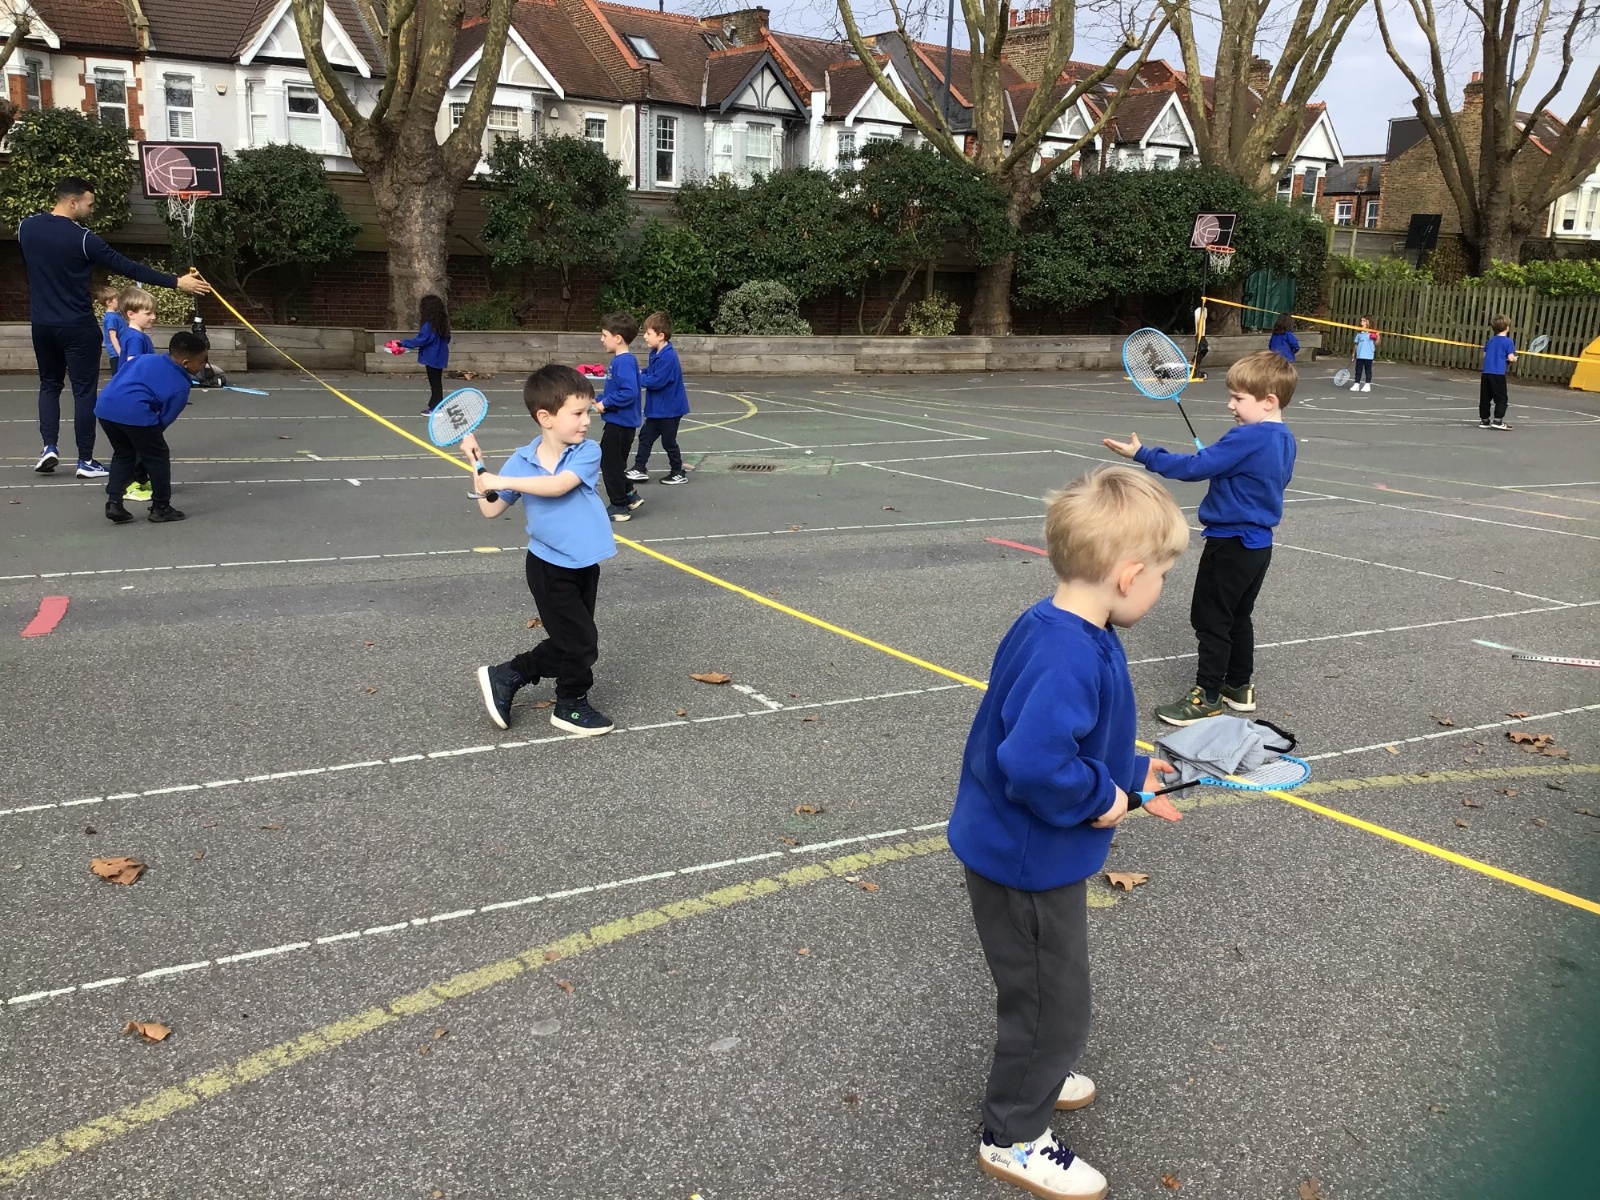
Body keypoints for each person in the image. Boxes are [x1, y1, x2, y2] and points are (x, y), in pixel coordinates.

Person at [949, 466, 1188, 1200]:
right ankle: (1013, 1136)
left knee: (1046, 989)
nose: (1161, 589)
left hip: (1023, 849)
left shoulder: (1059, 624)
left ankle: (1039, 1074)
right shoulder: (1070, 653)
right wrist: (1100, 797)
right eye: (1163, 576)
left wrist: (1133, 770)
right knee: (1053, 1003)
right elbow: (1033, 760)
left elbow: (1069, 732)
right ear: (1128, 575)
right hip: (1027, 859)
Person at [1104, 350, 1298, 726]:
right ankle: (1238, 686)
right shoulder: (1284, 438)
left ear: (1269, 401)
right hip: (1258, 545)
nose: (1231, 405)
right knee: (1238, 615)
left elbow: (1196, 468)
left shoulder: (1247, 437)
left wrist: (1144, 454)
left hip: (1230, 542)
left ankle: (1206, 695)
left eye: (1239, 398)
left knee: (1210, 618)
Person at [18, 176, 210, 478]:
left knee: (49, 385)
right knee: (84, 392)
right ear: (73, 202)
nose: (91, 209)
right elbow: (127, 267)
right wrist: (176, 281)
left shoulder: (26, 227)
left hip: (42, 323)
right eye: (89, 204)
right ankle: (85, 460)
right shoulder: (84, 239)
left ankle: (49, 447)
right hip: (77, 325)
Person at [464, 364, 617, 738]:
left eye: (588, 411)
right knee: (581, 642)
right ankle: (570, 704)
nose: (586, 420)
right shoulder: (520, 461)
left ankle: (508, 675)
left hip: (584, 564)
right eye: (577, 413)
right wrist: (477, 465)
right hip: (548, 568)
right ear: (545, 418)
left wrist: (500, 478)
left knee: (572, 639)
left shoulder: (586, 451)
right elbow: (491, 508)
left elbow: (558, 486)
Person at [94, 330, 209, 525]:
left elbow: (121, 376)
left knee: (123, 454)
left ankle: (114, 502)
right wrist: (146, 443)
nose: (204, 365)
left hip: (105, 407)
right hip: (136, 411)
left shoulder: (144, 359)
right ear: (186, 363)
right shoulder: (181, 385)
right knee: (158, 457)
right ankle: (161, 507)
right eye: (202, 361)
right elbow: (164, 420)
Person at [626, 312, 689, 486]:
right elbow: (651, 372)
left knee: (668, 441)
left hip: (670, 410)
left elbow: (657, 381)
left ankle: (678, 471)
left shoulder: (668, 357)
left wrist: (636, 378)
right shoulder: (655, 353)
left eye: (648, 333)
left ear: (660, 336)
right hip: (658, 409)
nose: (645, 336)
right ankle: (639, 468)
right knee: (645, 436)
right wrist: (640, 372)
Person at [593, 310, 645, 522]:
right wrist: (598, 399)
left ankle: (619, 506)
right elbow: (617, 389)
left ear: (618, 338)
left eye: (604, 335)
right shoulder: (623, 360)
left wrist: (606, 403)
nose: (601, 339)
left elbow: (629, 392)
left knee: (609, 464)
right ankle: (629, 494)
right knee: (616, 463)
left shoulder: (623, 362)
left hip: (619, 425)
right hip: (621, 423)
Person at [115, 288, 160, 504]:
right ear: (131, 314)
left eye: (154, 312)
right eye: (148, 313)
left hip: (136, 396)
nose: (153, 317)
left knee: (142, 442)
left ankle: (140, 478)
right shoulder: (134, 338)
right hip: (133, 398)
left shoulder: (138, 336)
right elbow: (134, 366)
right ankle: (129, 484)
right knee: (135, 444)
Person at [398, 294, 452, 414]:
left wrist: (402, 343)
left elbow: (421, 340)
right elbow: (447, 339)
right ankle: (437, 405)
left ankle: (435, 407)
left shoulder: (429, 325)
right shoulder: (442, 324)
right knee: (437, 383)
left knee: (434, 383)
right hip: (441, 355)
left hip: (431, 357)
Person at [1479, 315, 1518, 431]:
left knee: (1485, 398)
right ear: (1507, 327)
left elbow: (1485, 356)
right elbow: (1510, 358)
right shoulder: (1508, 342)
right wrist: (1514, 359)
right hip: (1498, 374)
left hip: (1486, 373)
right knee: (1501, 398)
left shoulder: (1490, 341)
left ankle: (1484, 420)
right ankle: (1498, 420)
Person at [99, 286, 125, 377]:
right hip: (117, 354)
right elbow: (113, 336)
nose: (120, 302)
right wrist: (120, 352)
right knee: (119, 377)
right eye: (117, 300)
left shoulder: (117, 315)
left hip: (120, 352)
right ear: (109, 302)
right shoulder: (111, 318)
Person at [1351, 316, 1378, 392]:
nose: (1361, 323)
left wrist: (1378, 336)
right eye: (1361, 321)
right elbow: (1356, 344)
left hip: (1368, 356)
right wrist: (1354, 353)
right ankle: (1356, 384)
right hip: (1360, 355)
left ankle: (1367, 385)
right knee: (1358, 371)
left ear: (1368, 322)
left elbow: (1376, 343)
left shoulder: (1372, 333)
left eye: (1364, 321)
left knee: (1368, 371)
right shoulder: (1359, 334)